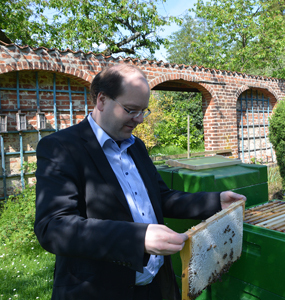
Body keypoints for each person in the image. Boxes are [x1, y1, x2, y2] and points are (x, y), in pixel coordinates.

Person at [34, 64, 246, 300]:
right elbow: (53, 227)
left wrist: (215, 202)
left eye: (144, 110)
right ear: (102, 100)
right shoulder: (61, 147)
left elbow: (160, 197)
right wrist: (138, 237)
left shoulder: (136, 146)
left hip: (156, 285)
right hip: (100, 290)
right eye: (131, 109)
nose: (140, 119)